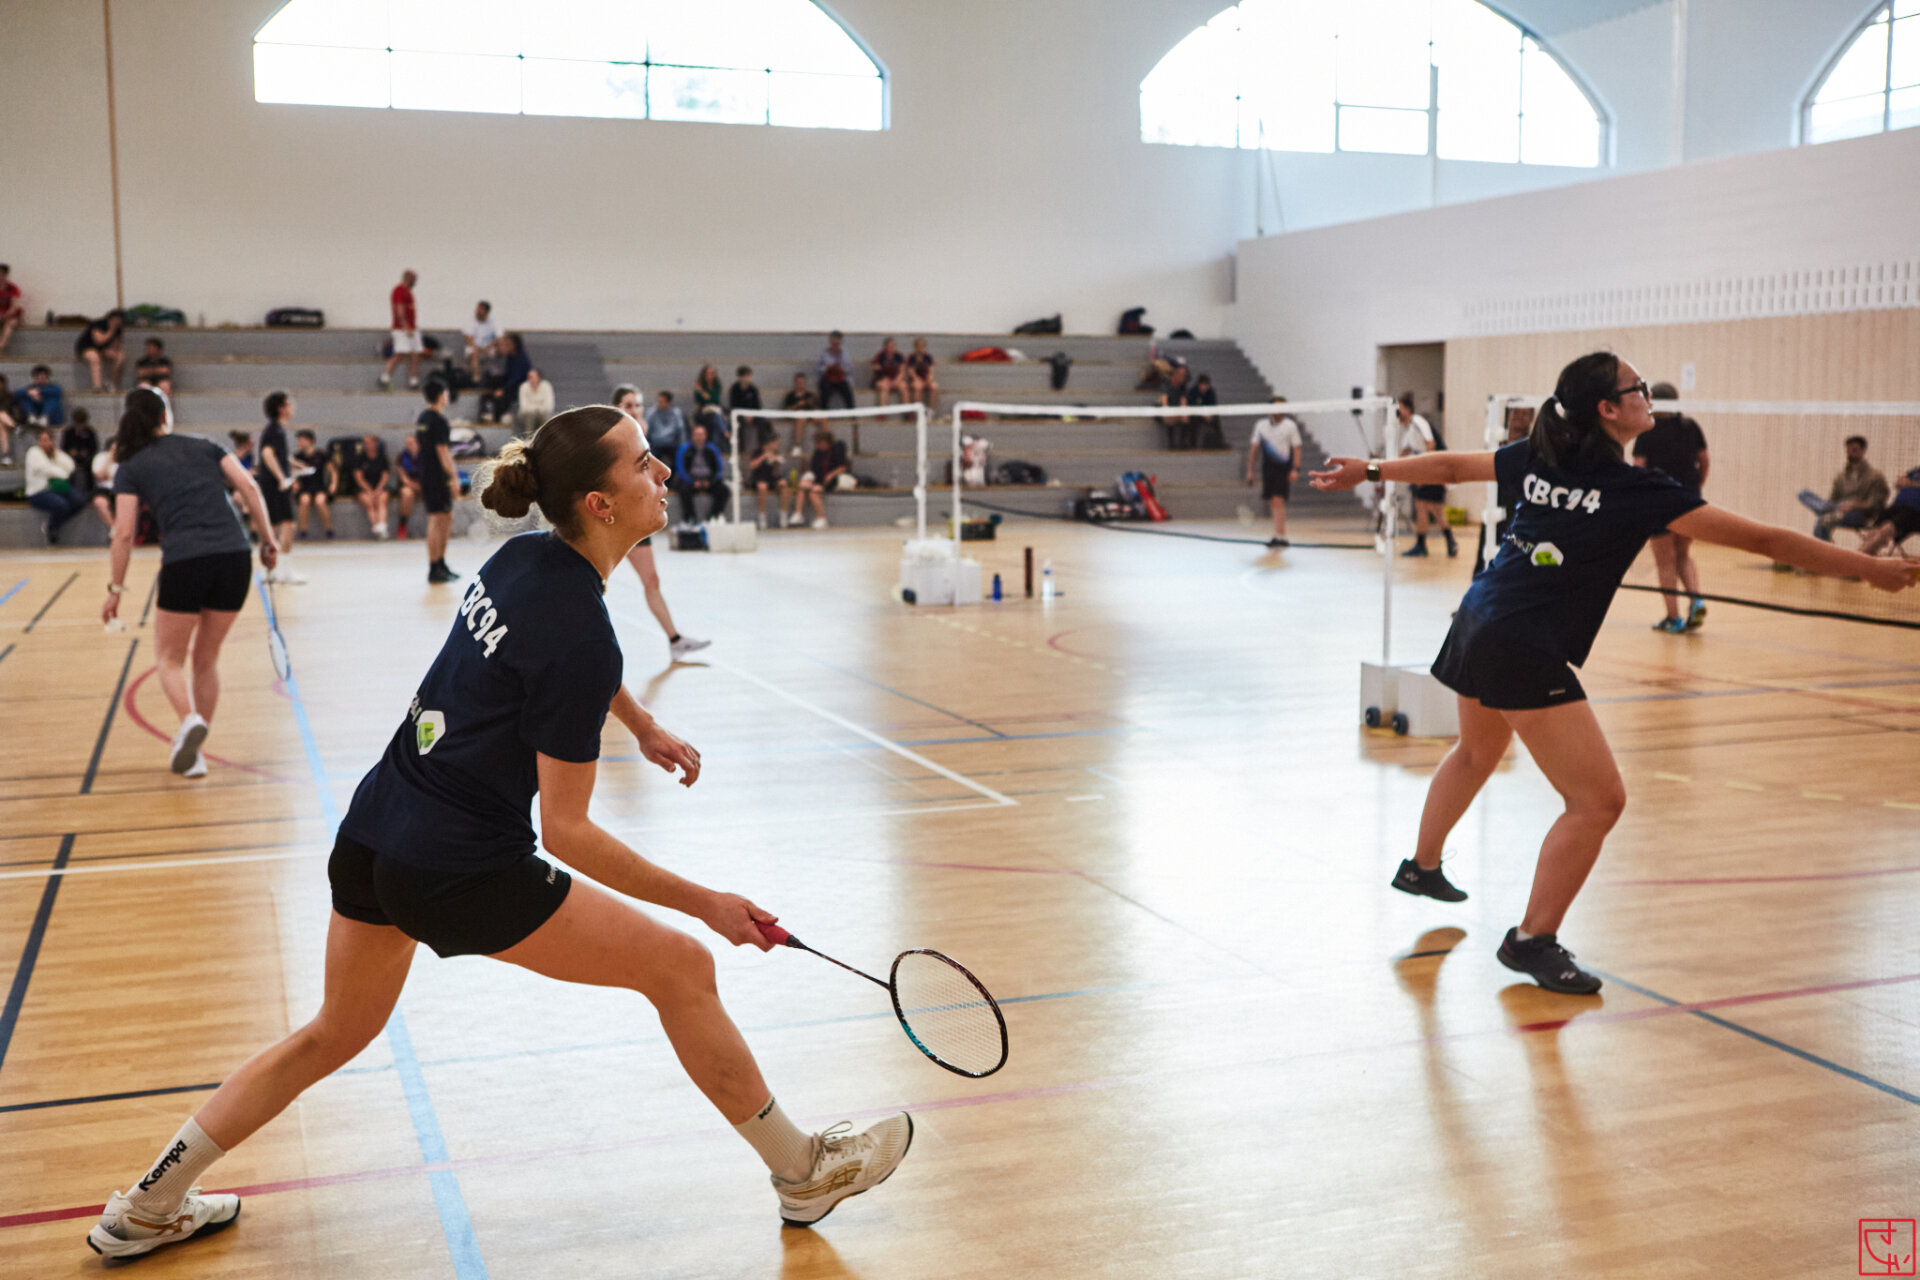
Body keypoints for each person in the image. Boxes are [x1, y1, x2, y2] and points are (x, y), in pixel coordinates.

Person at [83, 405, 912, 1261]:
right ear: (599, 503)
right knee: (682, 966)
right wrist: (708, 903)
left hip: (377, 829)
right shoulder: (579, 631)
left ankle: (147, 1205)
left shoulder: (524, 558)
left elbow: (560, 657)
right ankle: (802, 1171)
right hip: (461, 867)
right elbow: (569, 832)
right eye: (642, 463)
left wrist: (638, 723)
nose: (663, 472)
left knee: (331, 1033)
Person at [1310, 352, 1919, 994]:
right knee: (1598, 801)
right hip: (1521, 643)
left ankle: (1422, 866)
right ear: (1608, 409)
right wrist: (1867, 568)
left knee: (1475, 752)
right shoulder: (1637, 490)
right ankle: (1531, 940)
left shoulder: (1544, 456)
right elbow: (1765, 540)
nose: (1647, 395)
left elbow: (1454, 468)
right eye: (1637, 388)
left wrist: (1369, 470)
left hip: (1478, 617)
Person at [103, 387, 280, 779]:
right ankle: (195, 748)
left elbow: (124, 533)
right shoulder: (206, 446)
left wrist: (115, 590)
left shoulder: (130, 465)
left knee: (169, 659)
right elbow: (250, 488)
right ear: (164, 415)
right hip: (234, 558)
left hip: (186, 561)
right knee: (206, 659)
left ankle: (189, 722)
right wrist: (268, 540)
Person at [611, 384, 709, 661]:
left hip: (637, 517)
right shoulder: (614, 437)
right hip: (616, 519)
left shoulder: (641, 433)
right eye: (628, 405)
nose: (635, 410)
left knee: (651, 580)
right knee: (594, 581)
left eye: (638, 405)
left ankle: (675, 640)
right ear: (616, 408)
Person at [1631, 382, 1710, 631]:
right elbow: (1704, 460)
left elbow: (1638, 468)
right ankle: (1696, 600)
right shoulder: (1690, 426)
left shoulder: (1647, 431)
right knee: (1683, 555)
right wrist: (1696, 488)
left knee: (1665, 562)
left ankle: (1673, 619)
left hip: (1659, 504)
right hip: (1689, 500)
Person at [1475, 404, 1535, 576]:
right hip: (1496, 503)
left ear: (1531, 418)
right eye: (1516, 412)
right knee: (1486, 549)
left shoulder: (1532, 447)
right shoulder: (1496, 443)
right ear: (1508, 415)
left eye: (1525, 413)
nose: (1520, 416)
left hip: (1518, 506)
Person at [1396, 392, 1456, 558]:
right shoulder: (1409, 430)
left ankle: (1424, 545)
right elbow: (1404, 452)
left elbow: (1431, 444)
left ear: (1407, 409)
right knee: (1431, 508)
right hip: (1430, 470)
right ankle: (1449, 543)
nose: (1397, 413)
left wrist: (1425, 472)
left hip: (1435, 468)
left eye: (1399, 409)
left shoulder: (1418, 421)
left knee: (1425, 506)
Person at [1798, 436, 1889, 541]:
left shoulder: (1875, 477)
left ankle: (1822, 548)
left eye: (1854, 450)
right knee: (1803, 494)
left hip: (1860, 514)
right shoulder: (1841, 476)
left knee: (1822, 519)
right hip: (1839, 509)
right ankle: (1824, 508)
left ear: (1863, 451)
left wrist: (1853, 504)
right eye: (1848, 451)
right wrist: (1839, 506)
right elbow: (1833, 499)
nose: (1850, 454)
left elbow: (1876, 504)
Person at [257, 391, 306, 584]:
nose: (292, 407)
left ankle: (271, 571)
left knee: (274, 526)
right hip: (275, 485)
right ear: (281, 408)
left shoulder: (276, 430)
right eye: (288, 404)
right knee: (288, 525)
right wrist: (281, 478)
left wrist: (294, 464)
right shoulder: (275, 431)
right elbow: (267, 455)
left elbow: (278, 455)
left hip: (271, 484)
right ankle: (284, 572)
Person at [417, 379, 461, 583]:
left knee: (446, 517)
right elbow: (443, 451)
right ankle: (434, 567)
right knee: (437, 519)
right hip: (437, 476)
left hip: (427, 474)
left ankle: (441, 564)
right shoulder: (439, 421)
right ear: (441, 396)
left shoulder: (423, 418)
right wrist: (453, 477)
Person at [1245, 396, 1303, 548]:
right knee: (1272, 501)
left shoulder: (1290, 426)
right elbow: (1254, 448)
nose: (1280, 410)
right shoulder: (1261, 425)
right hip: (1267, 467)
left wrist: (1295, 468)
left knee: (1278, 500)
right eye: (1277, 406)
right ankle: (1278, 534)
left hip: (1283, 467)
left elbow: (1297, 448)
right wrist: (1250, 470)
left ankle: (1281, 536)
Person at [25, 427, 86, 544]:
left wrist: (54, 456)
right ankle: (52, 528)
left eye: (47, 440)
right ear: (38, 441)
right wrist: (61, 472)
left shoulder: (57, 453)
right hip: (38, 492)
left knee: (80, 501)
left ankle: (53, 524)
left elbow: (70, 466)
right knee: (61, 505)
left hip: (58, 489)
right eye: (42, 440)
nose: (45, 443)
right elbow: (45, 468)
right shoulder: (33, 452)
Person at [672, 422, 730, 524]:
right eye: (697, 435)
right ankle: (690, 517)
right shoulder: (684, 449)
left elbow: (719, 469)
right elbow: (680, 469)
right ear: (693, 436)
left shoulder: (712, 449)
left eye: (701, 435)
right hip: (691, 481)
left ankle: (714, 516)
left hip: (708, 481)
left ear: (705, 436)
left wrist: (710, 482)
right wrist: (692, 481)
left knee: (724, 490)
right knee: (684, 489)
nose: (699, 437)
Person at [1858, 462, 1920, 558]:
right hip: (1898, 506)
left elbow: (1906, 482)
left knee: (1888, 528)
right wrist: (1909, 483)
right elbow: (1900, 481)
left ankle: (1862, 556)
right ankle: (1863, 552)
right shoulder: (1916, 471)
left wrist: (1910, 483)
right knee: (1875, 528)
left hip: (1915, 512)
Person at [793, 426, 849, 530]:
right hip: (818, 479)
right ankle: (798, 514)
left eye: (819, 442)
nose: (817, 445)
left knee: (813, 492)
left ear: (825, 442)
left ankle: (821, 518)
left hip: (831, 479)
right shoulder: (817, 452)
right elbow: (813, 469)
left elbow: (843, 467)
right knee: (802, 486)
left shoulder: (837, 449)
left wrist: (831, 474)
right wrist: (808, 477)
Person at [379, 270, 422, 390]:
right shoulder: (399, 291)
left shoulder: (409, 292)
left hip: (412, 328)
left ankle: (413, 380)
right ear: (408, 278)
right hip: (401, 329)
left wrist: (412, 327)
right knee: (400, 354)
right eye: (414, 280)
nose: (415, 282)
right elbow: (399, 310)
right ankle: (384, 378)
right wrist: (405, 326)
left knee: (415, 353)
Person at [292, 428, 333, 540]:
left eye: (301, 440)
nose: (299, 443)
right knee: (304, 501)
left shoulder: (321, 454)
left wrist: (333, 484)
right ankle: (303, 530)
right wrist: (295, 483)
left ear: (309, 441)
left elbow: (332, 470)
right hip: (305, 486)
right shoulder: (298, 456)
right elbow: (293, 473)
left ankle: (328, 529)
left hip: (319, 485)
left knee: (320, 502)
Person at [483, 332, 532, 423]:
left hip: (518, 387)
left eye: (508, 344)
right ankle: (486, 410)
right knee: (490, 379)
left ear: (514, 345)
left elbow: (516, 379)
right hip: (510, 383)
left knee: (502, 396)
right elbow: (508, 374)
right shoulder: (510, 356)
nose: (506, 346)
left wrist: (503, 389)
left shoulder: (521, 358)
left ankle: (497, 417)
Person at [74, 308, 127, 392]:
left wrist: (113, 352)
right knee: (95, 357)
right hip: (88, 347)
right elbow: (99, 341)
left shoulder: (118, 329)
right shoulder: (98, 324)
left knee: (120, 357)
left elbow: (116, 346)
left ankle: (112, 383)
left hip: (103, 349)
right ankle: (97, 386)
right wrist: (111, 330)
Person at [355, 433, 394, 538]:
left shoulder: (382, 458)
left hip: (380, 487)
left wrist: (378, 489)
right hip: (365, 488)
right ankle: (377, 527)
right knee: (369, 501)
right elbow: (359, 477)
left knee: (382, 500)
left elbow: (385, 476)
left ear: (376, 444)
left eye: (370, 443)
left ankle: (382, 526)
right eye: (366, 443)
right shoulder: (360, 458)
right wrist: (368, 489)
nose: (368, 445)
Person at [747, 434, 789, 529]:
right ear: (770, 443)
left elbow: (775, 472)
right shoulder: (758, 452)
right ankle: (762, 516)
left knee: (784, 485)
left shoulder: (776, 453)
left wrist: (776, 461)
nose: (778, 445)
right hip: (759, 477)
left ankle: (783, 514)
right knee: (763, 487)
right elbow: (752, 465)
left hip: (771, 477)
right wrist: (764, 456)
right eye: (776, 443)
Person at [61, 406, 102, 498]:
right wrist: (71, 452)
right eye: (78, 424)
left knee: (88, 467)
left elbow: (94, 449)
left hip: (86, 461)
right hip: (71, 460)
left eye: (82, 424)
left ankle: (89, 491)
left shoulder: (90, 433)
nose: (80, 427)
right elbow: (63, 449)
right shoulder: (68, 433)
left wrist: (86, 453)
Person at [727, 364, 767, 453]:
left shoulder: (753, 389)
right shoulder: (734, 389)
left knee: (764, 422)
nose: (748, 378)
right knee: (737, 424)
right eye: (745, 376)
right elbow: (733, 406)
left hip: (752, 414)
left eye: (749, 376)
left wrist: (752, 415)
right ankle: (740, 450)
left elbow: (758, 406)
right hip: (739, 415)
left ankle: (763, 448)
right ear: (740, 377)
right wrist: (743, 415)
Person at [462, 300, 501, 383]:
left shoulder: (493, 322)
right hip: (474, 348)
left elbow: (498, 338)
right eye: (477, 309)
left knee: (502, 349)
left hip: (488, 348)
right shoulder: (471, 322)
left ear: (486, 311)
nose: (477, 311)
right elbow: (469, 339)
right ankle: (476, 377)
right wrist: (480, 348)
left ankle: (498, 376)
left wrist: (488, 347)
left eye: (480, 309)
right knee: (475, 352)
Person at [781, 372, 821, 453]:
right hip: (795, 416)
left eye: (802, 383)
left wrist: (811, 404)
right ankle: (797, 445)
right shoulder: (790, 395)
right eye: (798, 383)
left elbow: (817, 408)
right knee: (801, 415)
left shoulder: (810, 395)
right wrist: (797, 405)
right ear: (795, 383)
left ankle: (828, 443)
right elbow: (786, 410)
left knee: (823, 417)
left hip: (809, 415)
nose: (800, 385)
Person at [816, 330, 855, 412]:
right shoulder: (824, 354)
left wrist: (841, 368)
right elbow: (817, 367)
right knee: (825, 391)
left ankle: (852, 414)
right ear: (830, 342)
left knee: (848, 392)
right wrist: (827, 368)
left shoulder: (844, 354)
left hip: (840, 378)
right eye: (834, 342)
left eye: (838, 343)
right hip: (828, 378)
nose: (836, 345)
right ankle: (824, 413)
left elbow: (850, 368)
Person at [394, 434, 422, 539]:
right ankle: (402, 524)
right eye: (408, 443)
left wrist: (422, 485)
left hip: (424, 484)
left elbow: (430, 474)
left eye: (412, 443)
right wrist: (413, 485)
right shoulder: (402, 457)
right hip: (410, 485)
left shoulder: (426, 455)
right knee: (406, 494)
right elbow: (403, 477)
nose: (409, 445)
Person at [644, 390, 688, 456]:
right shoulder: (651, 413)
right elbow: (646, 429)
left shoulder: (676, 413)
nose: (659, 403)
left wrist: (682, 447)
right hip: (656, 445)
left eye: (661, 401)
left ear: (668, 402)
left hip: (671, 444)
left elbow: (681, 430)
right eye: (658, 401)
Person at [1185, 373, 1222, 449]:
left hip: (1207, 414)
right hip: (1195, 414)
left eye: (1206, 385)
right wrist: (1202, 414)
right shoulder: (1193, 391)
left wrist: (1210, 414)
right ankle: (1192, 444)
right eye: (1203, 384)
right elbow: (1191, 405)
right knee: (1193, 422)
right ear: (1199, 384)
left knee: (1216, 419)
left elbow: (1213, 405)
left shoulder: (1211, 392)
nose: (1205, 387)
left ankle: (1220, 442)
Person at [870, 338, 908, 411]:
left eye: (893, 346)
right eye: (889, 347)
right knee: (884, 386)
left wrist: (897, 380)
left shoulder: (899, 356)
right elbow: (876, 370)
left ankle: (907, 411)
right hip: (882, 380)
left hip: (896, 379)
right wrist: (884, 378)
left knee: (904, 386)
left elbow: (902, 371)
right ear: (885, 347)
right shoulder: (880, 356)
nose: (891, 349)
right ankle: (883, 412)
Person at [515, 367, 554, 435]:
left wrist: (537, 409)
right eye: (529, 377)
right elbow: (524, 406)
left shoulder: (546, 386)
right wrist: (536, 409)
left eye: (533, 377)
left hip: (543, 413)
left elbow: (549, 405)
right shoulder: (523, 387)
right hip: (527, 414)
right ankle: (529, 438)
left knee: (545, 416)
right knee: (530, 416)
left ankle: (544, 437)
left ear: (539, 377)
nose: (531, 379)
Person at [906, 337, 938, 410]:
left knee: (934, 386)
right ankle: (919, 410)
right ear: (915, 347)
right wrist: (917, 379)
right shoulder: (911, 357)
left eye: (922, 346)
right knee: (918, 386)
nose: (920, 347)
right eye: (918, 346)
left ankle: (930, 410)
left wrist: (929, 379)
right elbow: (911, 373)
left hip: (925, 379)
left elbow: (931, 371)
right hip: (915, 380)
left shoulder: (928, 357)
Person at [0, 263, 22, 353]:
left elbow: (15, 306)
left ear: (6, 275)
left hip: (11, 315)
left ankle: (1, 345)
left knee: (9, 323)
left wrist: (5, 315)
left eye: (2, 275)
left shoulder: (12, 288)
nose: (0, 277)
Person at [0, 373, 20, 463]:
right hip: (6, 419)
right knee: (1, 414)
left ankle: (5, 455)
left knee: (2, 427)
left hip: (6, 420)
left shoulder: (9, 396)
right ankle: (15, 426)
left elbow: (13, 410)